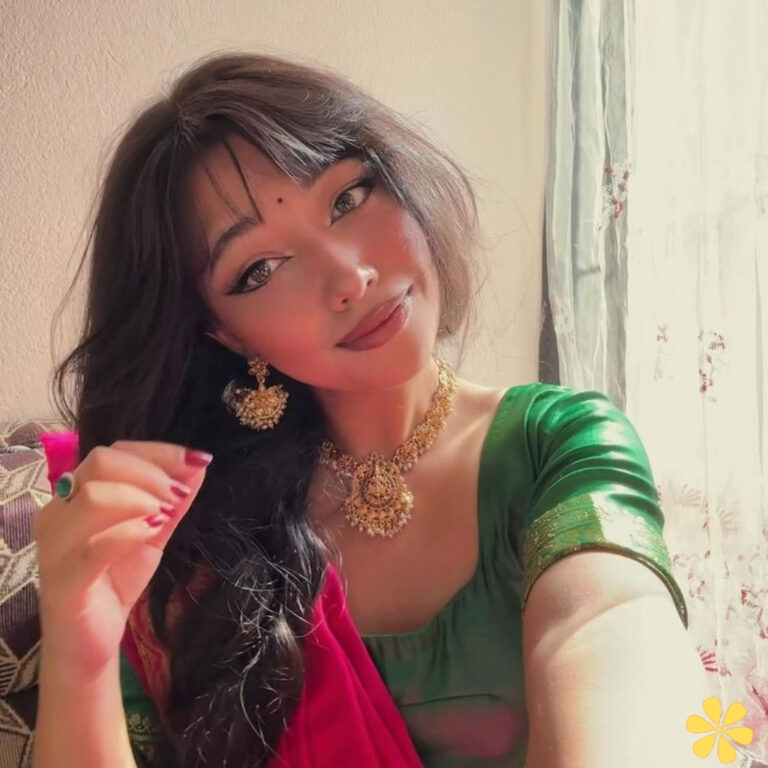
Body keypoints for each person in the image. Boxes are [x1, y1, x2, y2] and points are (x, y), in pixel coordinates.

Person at [31, 51, 710, 768]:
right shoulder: (191, 535)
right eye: (260, 268)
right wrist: (81, 644)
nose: (350, 276)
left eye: (349, 198)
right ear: (223, 332)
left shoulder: (556, 446)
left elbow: (613, 634)